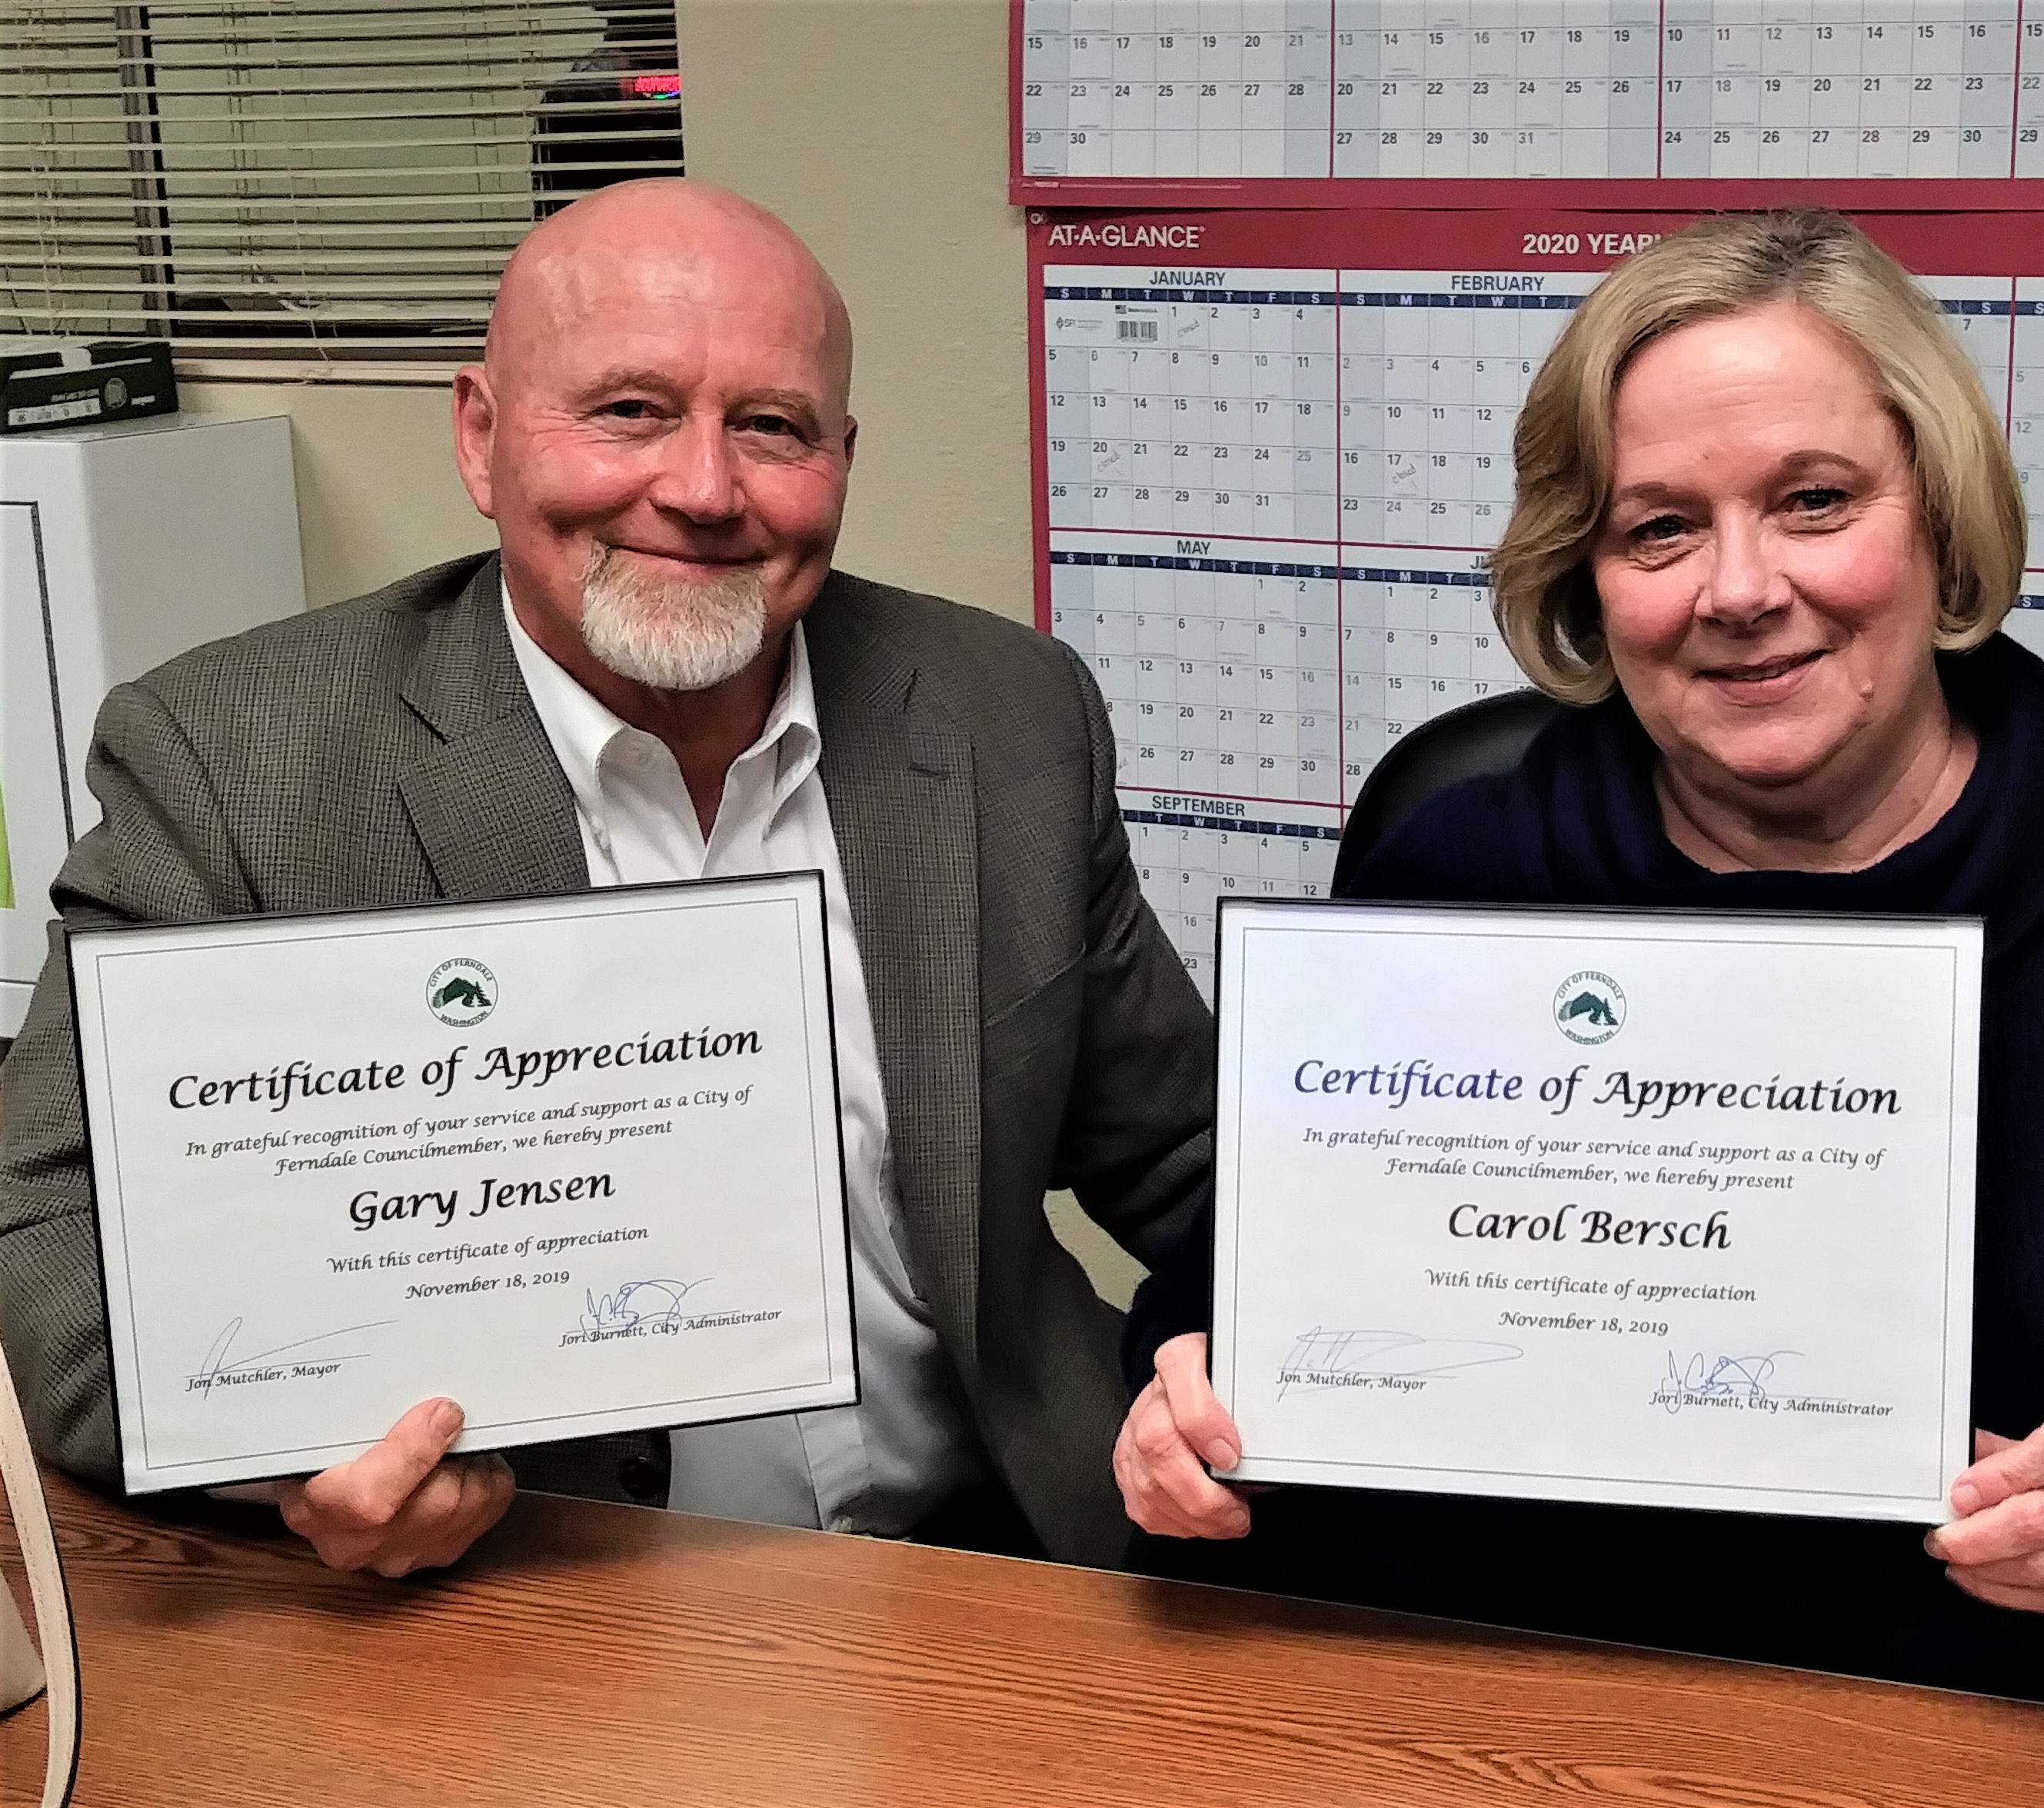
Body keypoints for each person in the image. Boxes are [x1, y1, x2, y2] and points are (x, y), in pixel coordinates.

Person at [1113, 209, 2044, 1723]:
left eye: (1814, 501)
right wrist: (1180, 1401)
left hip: (2007, 1732)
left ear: (1936, 518)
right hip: (1484, 1709)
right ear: (1589, 577)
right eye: (1659, 526)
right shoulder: (1458, 870)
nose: (1739, 588)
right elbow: (1217, 1306)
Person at [0, 178, 1213, 1578]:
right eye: (630, 410)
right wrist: (290, 1456)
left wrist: (1252, 1348)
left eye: (770, 426)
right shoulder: (233, 760)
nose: (702, 490)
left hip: (991, 1558)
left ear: (842, 454)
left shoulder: (1006, 713)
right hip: (529, 1582)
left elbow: (1182, 1153)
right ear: (481, 434)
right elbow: (54, 1234)